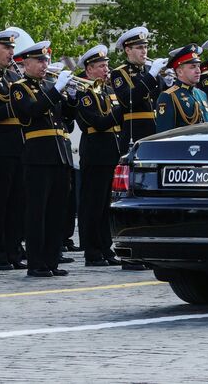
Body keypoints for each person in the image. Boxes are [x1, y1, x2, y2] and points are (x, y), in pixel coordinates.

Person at [8, 38, 75, 277]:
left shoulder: (49, 85)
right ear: (26, 63)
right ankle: (36, 263)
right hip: (38, 156)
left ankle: (51, 261)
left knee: (57, 211)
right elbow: (31, 111)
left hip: (60, 155)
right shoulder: (19, 87)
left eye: (46, 60)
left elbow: (68, 118)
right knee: (37, 211)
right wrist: (56, 91)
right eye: (39, 60)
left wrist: (71, 96)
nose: (44, 64)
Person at [74, 45, 122, 267]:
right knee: (93, 204)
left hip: (111, 151)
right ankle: (92, 250)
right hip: (95, 151)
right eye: (101, 66)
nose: (106, 69)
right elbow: (98, 122)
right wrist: (122, 111)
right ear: (89, 69)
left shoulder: (107, 91)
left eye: (106, 65)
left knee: (106, 205)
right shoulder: (85, 94)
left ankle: (105, 247)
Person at [0, 28, 27, 271]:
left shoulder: (10, 77)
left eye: (11, 48)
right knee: (1, 202)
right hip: (1, 146)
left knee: (17, 203)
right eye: (6, 48)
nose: (11, 52)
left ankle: (13, 250)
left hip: (18, 145)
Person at [110, 26, 161, 154]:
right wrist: (151, 76)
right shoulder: (119, 73)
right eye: (139, 48)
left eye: (145, 47)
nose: (144, 51)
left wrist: (169, 81)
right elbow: (127, 100)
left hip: (154, 131)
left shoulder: (150, 71)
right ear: (128, 50)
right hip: (135, 131)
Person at [155, 45, 208, 133]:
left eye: (198, 66)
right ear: (179, 71)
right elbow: (164, 135)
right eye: (193, 67)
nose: (198, 70)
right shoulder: (168, 96)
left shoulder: (201, 94)